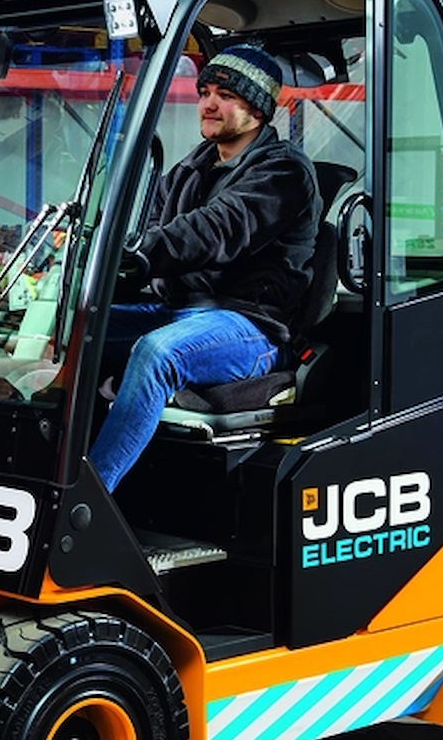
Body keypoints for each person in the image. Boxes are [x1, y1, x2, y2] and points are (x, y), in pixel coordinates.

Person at [87, 43, 320, 492]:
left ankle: (89, 497)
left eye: (226, 95)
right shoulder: (187, 171)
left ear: (257, 109)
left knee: (158, 353)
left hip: (250, 326)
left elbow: (218, 228)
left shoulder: (284, 171)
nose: (209, 104)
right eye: (205, 92)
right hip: (177, 311)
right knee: (76, 329)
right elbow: (148, 234)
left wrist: (141, 254)